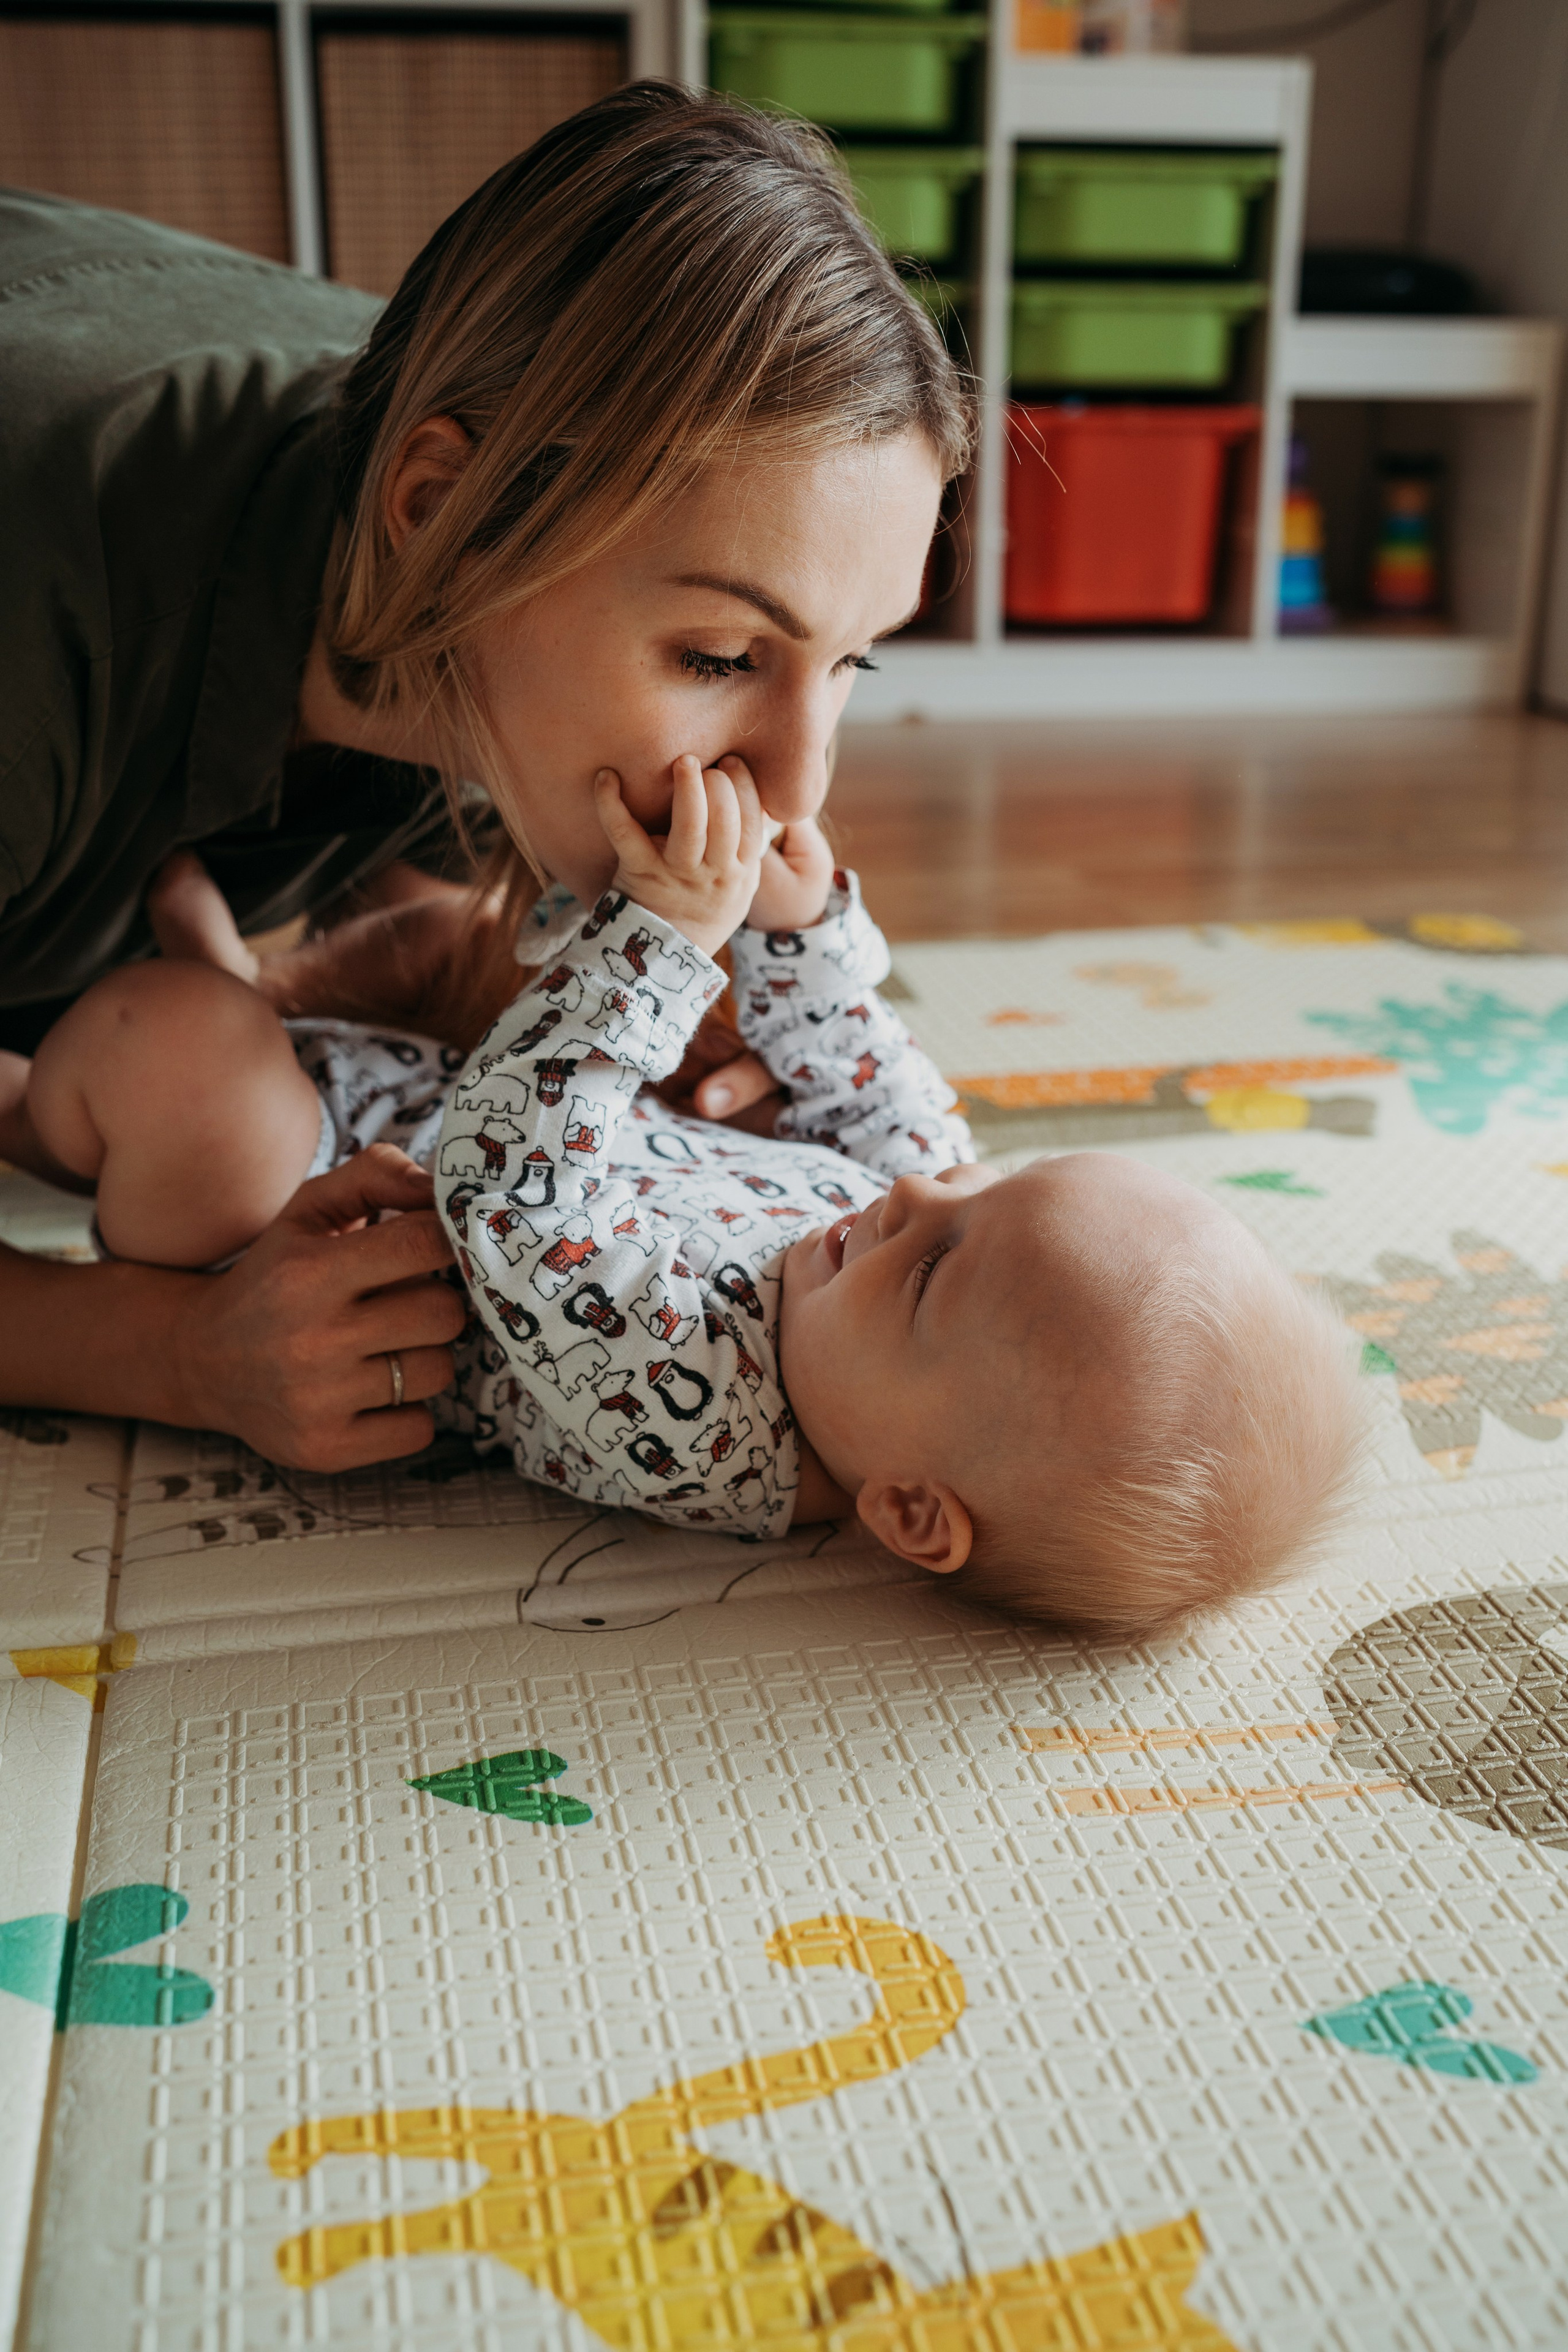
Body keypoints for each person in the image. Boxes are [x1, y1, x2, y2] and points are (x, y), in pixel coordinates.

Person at [0, 80, 967, 1470]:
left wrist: (604, 1014)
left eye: (854, 662)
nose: (796, 793)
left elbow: (406, 936)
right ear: (437, 519)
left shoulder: (495, 534)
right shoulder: (47, 635)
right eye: (715, 654)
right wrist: (177, 1353)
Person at [18, 755, 1362, 1637]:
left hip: (280, 1217)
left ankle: (40, 1113)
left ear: (906, 1510)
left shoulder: (703, 1421)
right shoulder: (903, 1246)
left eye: (938, 1268)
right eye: (988, 1186)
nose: (915, 1200)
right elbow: (862, 1066)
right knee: (433, 945)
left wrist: (665, 949)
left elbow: (511, 1184)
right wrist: (795, 925)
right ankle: (249, 991)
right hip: (413, 1085)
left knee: (173, 1052)